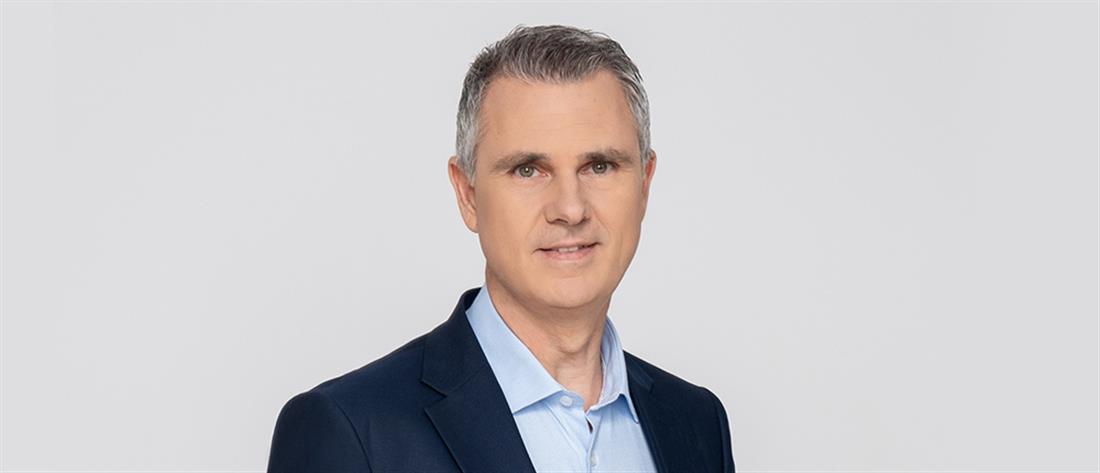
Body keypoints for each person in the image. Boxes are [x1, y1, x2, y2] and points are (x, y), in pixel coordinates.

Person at [266, 24, 735, 473]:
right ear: (467, 194)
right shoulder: (351, 430)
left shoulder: (696, 422)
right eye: (528, 170)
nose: (570, 209)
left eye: (599, 166)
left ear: (644, 186)